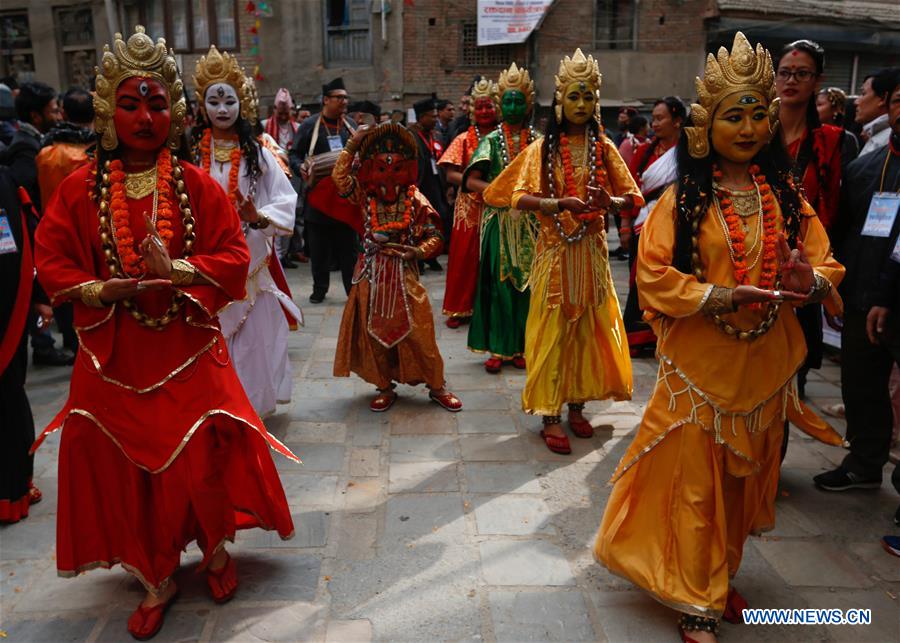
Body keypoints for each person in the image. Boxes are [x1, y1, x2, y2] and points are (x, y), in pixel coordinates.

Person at [32, 27, 295, 640]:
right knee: (129, 469)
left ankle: (215, 547)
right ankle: (155, 573)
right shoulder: (80, 189)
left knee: (202, 460)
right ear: (108, 113)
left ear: (173, 112)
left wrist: (178, 270)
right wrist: (103, 289)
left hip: (187, 346)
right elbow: (52, 259)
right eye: (130, 104)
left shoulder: (196, 184)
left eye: (155, 104)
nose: (145, 118)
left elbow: (233, 254)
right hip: (114, 354)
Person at [594, 33, 845, 642]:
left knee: (738, 488)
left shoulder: (786, 197)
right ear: (706, 127)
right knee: (696, 488)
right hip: (700, 371)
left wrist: (807, 280)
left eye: (758, 114)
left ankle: (718, 573)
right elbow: (653, 277)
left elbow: (826, 264)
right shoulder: (683, 200)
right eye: (735, 115)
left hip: (764, 368)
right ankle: (696, 598)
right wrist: (722, 296)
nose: (750, 127)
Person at [486, 49, 641, 454]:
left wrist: (610, 202)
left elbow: (633, 196)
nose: (581, 104)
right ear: (559, 102)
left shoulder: (604, 147)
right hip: (554, 253)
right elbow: (513, 196)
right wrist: (556, 204)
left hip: (591, 255)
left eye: (588, 96)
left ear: (596, 102)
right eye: (574, 96)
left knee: (587, 332)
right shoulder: (542, 149)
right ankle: (550, 415)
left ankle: (577, 406)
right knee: (552, 333)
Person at [193, 45, 302, 418]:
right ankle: (216, 407)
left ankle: (250, 410)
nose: (222, 109)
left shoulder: (258, 153)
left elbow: (285, 199)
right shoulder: (189, 155)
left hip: (250, 259)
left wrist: (257, 216)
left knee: (255, 340)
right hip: (205, 260)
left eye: (229, 101)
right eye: (214, 101)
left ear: (243, 104)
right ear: (202, 106)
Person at [331, 123, 462, 414]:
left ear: (409, 169)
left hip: (404, 273)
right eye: (381, 168)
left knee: (420, 332)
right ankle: (384, 386)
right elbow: (339, 178)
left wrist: (418, 251)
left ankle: (437, 385)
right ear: (369, 169)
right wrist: (353, 144)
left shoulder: (416, 199)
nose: (389, 175)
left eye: (397, 168)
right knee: (372, 333)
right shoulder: (363, 195)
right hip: (370, 272)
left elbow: (436, 236)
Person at [814, 72, 900, 500]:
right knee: (861, 387)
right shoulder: (865, 167)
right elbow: (843, 231)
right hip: (862, 296)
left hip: (898, 302)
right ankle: (864, 464)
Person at [463, 63, 540, 373]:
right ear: (499, 104)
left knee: (530, 286)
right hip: (498, 221)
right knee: (498, 284)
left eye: (518, 101)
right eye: (507, 101)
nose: (512, 107)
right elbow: (471, 181)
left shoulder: (538, 141)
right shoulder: (491, 141)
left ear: (528, 104)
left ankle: (523, 346)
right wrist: (501, 192)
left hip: (532, 224)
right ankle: (498, 346)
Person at [2, 81, 71, 367]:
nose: (58, 115)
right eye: (53, 111)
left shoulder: (36, 141)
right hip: (29, 236)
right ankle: (43, 345)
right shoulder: (25, 148)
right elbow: (22, 194)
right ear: (35, 115)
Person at [620, 96, 686, 355]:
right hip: (644, 224)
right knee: (640, 278)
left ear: (677, 121)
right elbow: (630, 190)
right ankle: (639, 336)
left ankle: (665, 334)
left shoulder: (690, 152)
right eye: (653, 119)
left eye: (660, 118)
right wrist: (625, 225)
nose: (655, 123)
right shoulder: (643, 152)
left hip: (676, 225)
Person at [34, 88, 97, 357]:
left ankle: (74, 345)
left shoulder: (46, 153)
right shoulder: (98, 153)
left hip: (56, 237)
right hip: (93, 239)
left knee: (67, 298)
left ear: (64, 113)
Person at [290, 77, 358, 303]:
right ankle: (319, 289)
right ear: (326, 100)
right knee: (319, 251)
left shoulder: (350, 126)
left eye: (346, 98)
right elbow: (294, 154)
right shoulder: (310, 125)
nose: (344, 101)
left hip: (345, 199)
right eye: (339, 97)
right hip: (318, 200)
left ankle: (352, 291)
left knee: (349, 251)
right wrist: (300, 167)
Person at [439, 77, 499, 328]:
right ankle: (459, 308)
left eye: (489, 106)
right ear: (473, 110)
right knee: (465, 256)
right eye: (480, 107)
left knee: (495, 258)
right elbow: (450, 174)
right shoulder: (463, 139)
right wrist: (475, 183)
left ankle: (493, 309)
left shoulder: (504, 139)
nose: (484, 111)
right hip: (469, 206)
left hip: (499, 205)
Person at [0, 170, 42, 523]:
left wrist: (37, 296)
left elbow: (16, 244)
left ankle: (12, 491)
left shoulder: (3, 183)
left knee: (7, 398)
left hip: (5, 306)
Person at [410, 96, 450, 268]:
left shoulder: (437, 135)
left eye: (436, 116)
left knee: (438, 220)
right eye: (432, 116)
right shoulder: (410, 135)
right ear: (421, 117)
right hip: (420, 184)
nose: (435, 119)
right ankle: (418, 258)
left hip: (437, 185)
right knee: (419, 222)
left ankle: (432, 255)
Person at [856, 69, 895, 157]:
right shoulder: (877, 136)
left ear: (883, 98)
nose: (856, 101)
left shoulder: (889, 141)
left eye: (863, 93)